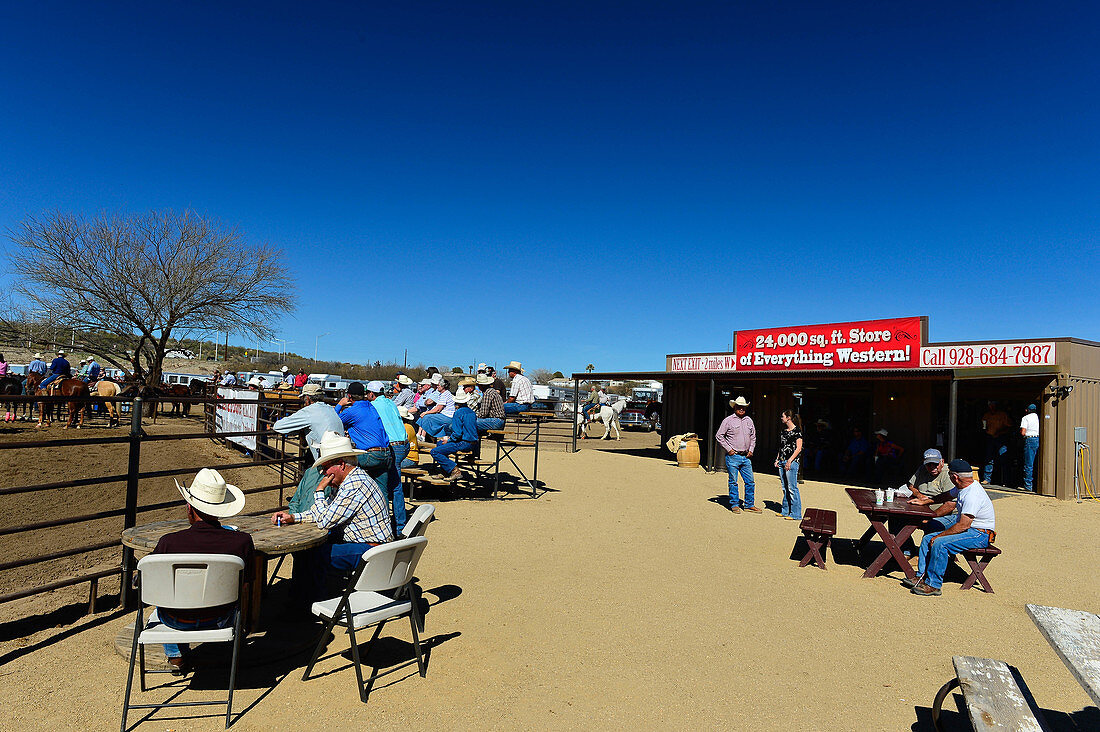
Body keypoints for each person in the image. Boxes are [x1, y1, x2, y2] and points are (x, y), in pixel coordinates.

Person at [149, 468, 253, 672]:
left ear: (189, 507)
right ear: (222, 509)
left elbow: (149, 585)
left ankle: (176, 655)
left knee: (164, 600)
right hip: (220, 617)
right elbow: (246, 584)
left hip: (175, 620)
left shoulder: (168, 543)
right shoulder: (241, 542)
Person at [271, 431, 394, 573]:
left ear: (341, 465)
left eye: (325, 467)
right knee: (310, 551)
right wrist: (293, 517)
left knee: (309, 554)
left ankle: (310, 595)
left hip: (371, 550)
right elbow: (325, 512)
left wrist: (319, 491)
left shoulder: (354, 485)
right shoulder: (348, 481)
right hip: (365, 544)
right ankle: (310, 593)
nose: (323, 472)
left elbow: (325, 521)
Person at [906, 459, 996, 596]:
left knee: (939, 543)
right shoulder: (963, 487)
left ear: (955, 477)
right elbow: (946, 496)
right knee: (927, 539)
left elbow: (963, 525)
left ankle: (933, 585)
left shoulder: (972, 495)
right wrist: (924, 501)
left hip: (980, 534)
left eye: (949, 475)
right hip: (970, 530)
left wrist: (939, 536)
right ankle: (921, 576)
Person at [273, 383, 343, 505]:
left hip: (326, 461)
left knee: (312, 488)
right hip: (340, 457)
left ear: (308, 399)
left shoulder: (309, 411)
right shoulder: (330, 409)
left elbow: (278, 426)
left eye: (303, 399)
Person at [364, 380, 408, 532]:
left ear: (371, 394)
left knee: (393, 486)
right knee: (392, 484)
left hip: (393, 446)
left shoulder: (373, 406)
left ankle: (397, 527)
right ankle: (397, 523)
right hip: (403, 443)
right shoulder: (390, 402)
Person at [336, 381, 392, 497]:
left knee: (339, 465)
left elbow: (334, 421)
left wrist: (340, 405)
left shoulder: (351, 411)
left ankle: (341, 498)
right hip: (386, 453)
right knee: (382, 492)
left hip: (371, 455)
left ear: (349, 396)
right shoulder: (370, 406)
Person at [716, 396, 758, 513]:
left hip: (746, 456)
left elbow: (753, 437)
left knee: (750, 481)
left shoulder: (749, 420)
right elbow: (719, 435)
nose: (741, 409)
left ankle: (749, 504)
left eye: (743, 407)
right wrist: (729, 449)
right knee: (733, 481)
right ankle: (734, 504)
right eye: (739, 407)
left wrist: (751, 450)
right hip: (733, 456)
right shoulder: (728, 421)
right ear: (734, 407)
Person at [431, 390, 477, 481]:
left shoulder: (458, 413)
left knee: (435, 452)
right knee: (440, 444)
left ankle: (454, 470)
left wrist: (449, 440)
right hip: (473, 442)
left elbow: (457, 433)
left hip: (464, 442)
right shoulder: (472, 412)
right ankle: (445, 471)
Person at [775, 409, 803, 520]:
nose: (781, 418)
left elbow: (799, 448)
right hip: (782, 460)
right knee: (784, 486)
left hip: (791, 462)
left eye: (783, 416)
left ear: (788, 418)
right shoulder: (783, 431)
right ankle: (785, 510)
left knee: (792, 487)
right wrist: (777, 459)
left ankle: (796, 513)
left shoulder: (797, 431)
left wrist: (790, 460)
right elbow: (781, 447)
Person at [980, 401, 1011, 485]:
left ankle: (1005, 481)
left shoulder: (1002, 415)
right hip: (990, 437)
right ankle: (987, 479)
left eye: (993, 405)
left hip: (1001, 438)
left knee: (1003, 459)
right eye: (990, 406)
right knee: (989, 458)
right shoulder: (986, 415)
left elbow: (1008, 427)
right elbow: (983, 426)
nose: (992, 407)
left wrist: (1000, 432)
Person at [1021, 403, 1040, 492]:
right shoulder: (1037, 417)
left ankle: (1028, 486)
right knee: (1035, 462)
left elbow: (1023, 432)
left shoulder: (1025, 418)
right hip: (1037, 439)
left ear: (1027, 410)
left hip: (1029, 439)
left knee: (1028, 463)